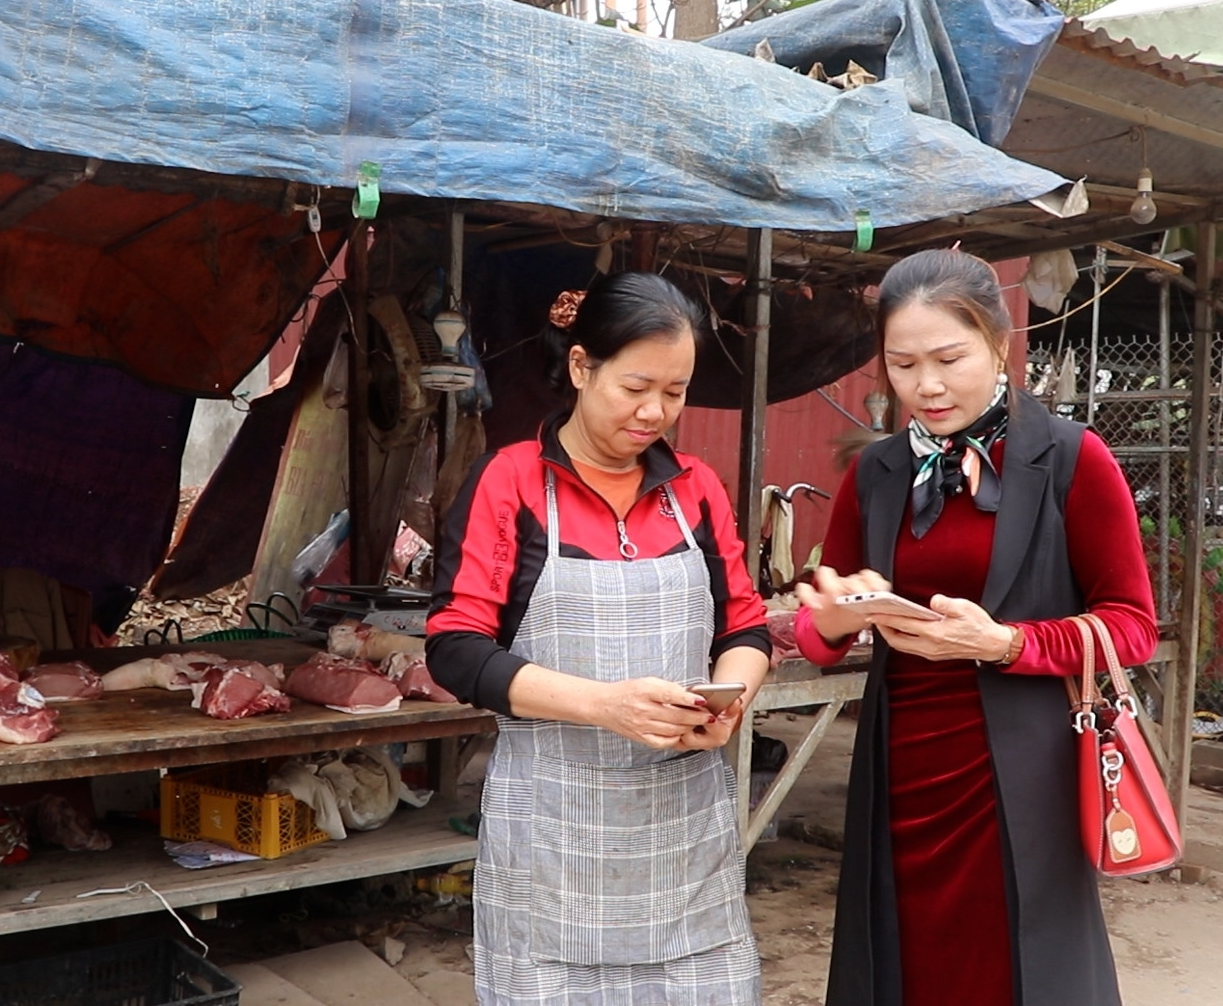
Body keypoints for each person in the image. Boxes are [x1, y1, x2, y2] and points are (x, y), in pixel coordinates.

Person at [793, 249, 1157, 1006]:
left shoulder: (1068, 459)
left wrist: (1007, 643)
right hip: (901, 768)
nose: (925, 386)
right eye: (901, 364)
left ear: (999, 342)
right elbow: (821, 629)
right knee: (901, 966)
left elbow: (1131, 628)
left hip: (1028, 777)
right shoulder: (877, 472)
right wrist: (828, 621)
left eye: (948, 358)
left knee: (1018, 968)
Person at [426, 271, 771, 1006]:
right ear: (582, 367)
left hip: (686, 843)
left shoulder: (697, 488)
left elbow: (743, 623)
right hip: (553, 837)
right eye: (635, 387)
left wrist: (730, 699)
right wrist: (605, 706)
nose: (655, 412)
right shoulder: (510, 482)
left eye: (675, 392)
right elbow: (456, 647)